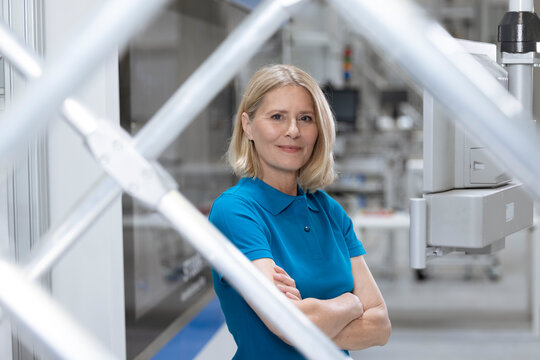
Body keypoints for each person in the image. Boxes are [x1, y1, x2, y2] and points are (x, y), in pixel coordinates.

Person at [209, 64, 391, 359]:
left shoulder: (329, 211)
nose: (293, 131)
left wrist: (312, 316)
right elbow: (287, 323)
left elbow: (381, 326)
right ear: (248, 125)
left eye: (305, 118)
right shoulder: (235, 211)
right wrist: (351, 304)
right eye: (277, 117)